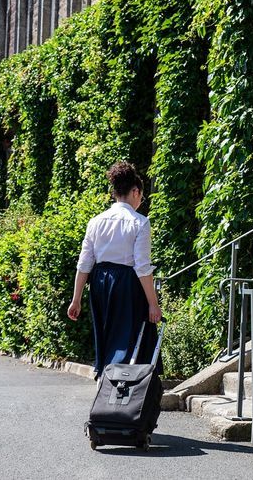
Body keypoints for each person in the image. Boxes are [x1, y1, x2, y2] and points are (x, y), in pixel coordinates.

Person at [67, 161, 163, 378]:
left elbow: (85, 262)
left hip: (99, 281)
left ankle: (104, 381)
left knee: (106, 336)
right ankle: (123, 390)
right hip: (127, 283)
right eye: (141, 197)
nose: (141, 201)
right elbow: (142, 267)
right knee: (129, 340)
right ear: (135, 191)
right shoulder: (140, 222)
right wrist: (153, 304)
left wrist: (76, 299)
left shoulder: (95, 221)